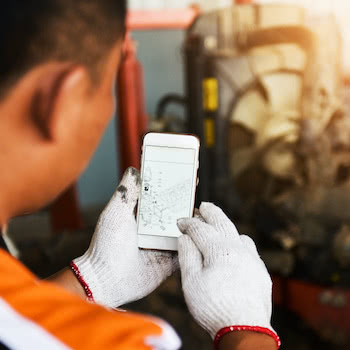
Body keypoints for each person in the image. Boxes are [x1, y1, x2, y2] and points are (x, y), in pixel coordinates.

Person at [0, 1, 280, 349]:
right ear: (61, 100)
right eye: (107, 87)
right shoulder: (127, 342)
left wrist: (90, 280)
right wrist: (246, 329)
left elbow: (14, 311)